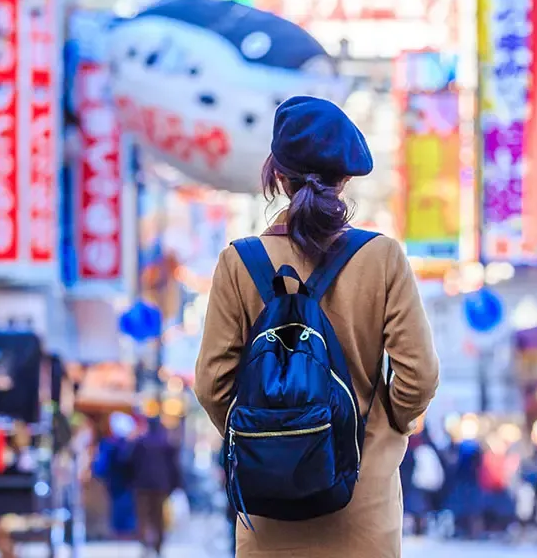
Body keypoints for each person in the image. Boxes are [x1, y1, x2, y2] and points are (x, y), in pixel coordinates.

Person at [194, 96, 440, 558]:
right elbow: (419, 375)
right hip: (362, 508)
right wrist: (385, 428)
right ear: (345, 180)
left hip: (269, 509)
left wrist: (264, 432)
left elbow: (212, 384)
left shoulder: (238, 264)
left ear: (277, 176)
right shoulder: (382, 259)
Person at [129, 416, 183, 556]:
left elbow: (130, 462)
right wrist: (176, 485)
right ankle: (158, 547)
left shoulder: (140, 442)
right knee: (159, 518)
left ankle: (146, 544)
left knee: (144, 517)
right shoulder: (166, 442)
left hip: (142, 486)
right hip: (161, 486)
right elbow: (173, 466)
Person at [92, 412, 137, 537]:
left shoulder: (109, 444)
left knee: (118, 507)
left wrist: (98, 473)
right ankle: (126, 532)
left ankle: (120, 532)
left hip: (116, 482)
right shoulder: (131, 444)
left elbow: (101, 465)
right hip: (127, 482)